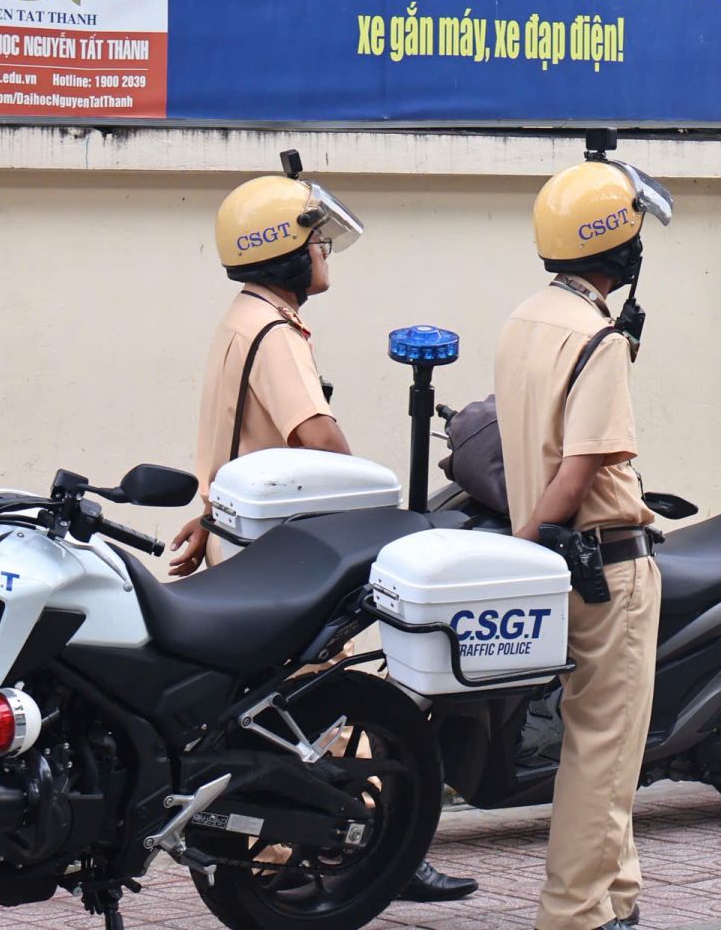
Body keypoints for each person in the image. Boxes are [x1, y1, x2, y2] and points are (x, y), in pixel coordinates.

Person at [171, 155, 478, 904]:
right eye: (314, 241)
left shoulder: (242, 319)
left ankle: (347, 857)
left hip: (242, 549)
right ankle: (359, 857)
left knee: (283, 720)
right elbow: (318, 438)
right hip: (284, 563)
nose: (322, 253)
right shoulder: (275, 334)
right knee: (318, 719)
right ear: (284, 251)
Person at [497, 149, 672, 930]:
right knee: (604, 748)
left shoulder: (524, 321)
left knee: (606, 743)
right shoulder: (595, 340)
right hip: (604, 563)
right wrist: (527, 550)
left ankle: (617, 897)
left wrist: (522, 551)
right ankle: (575, 914)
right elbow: (577, 475)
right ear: (618, 243)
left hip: (558, 565)